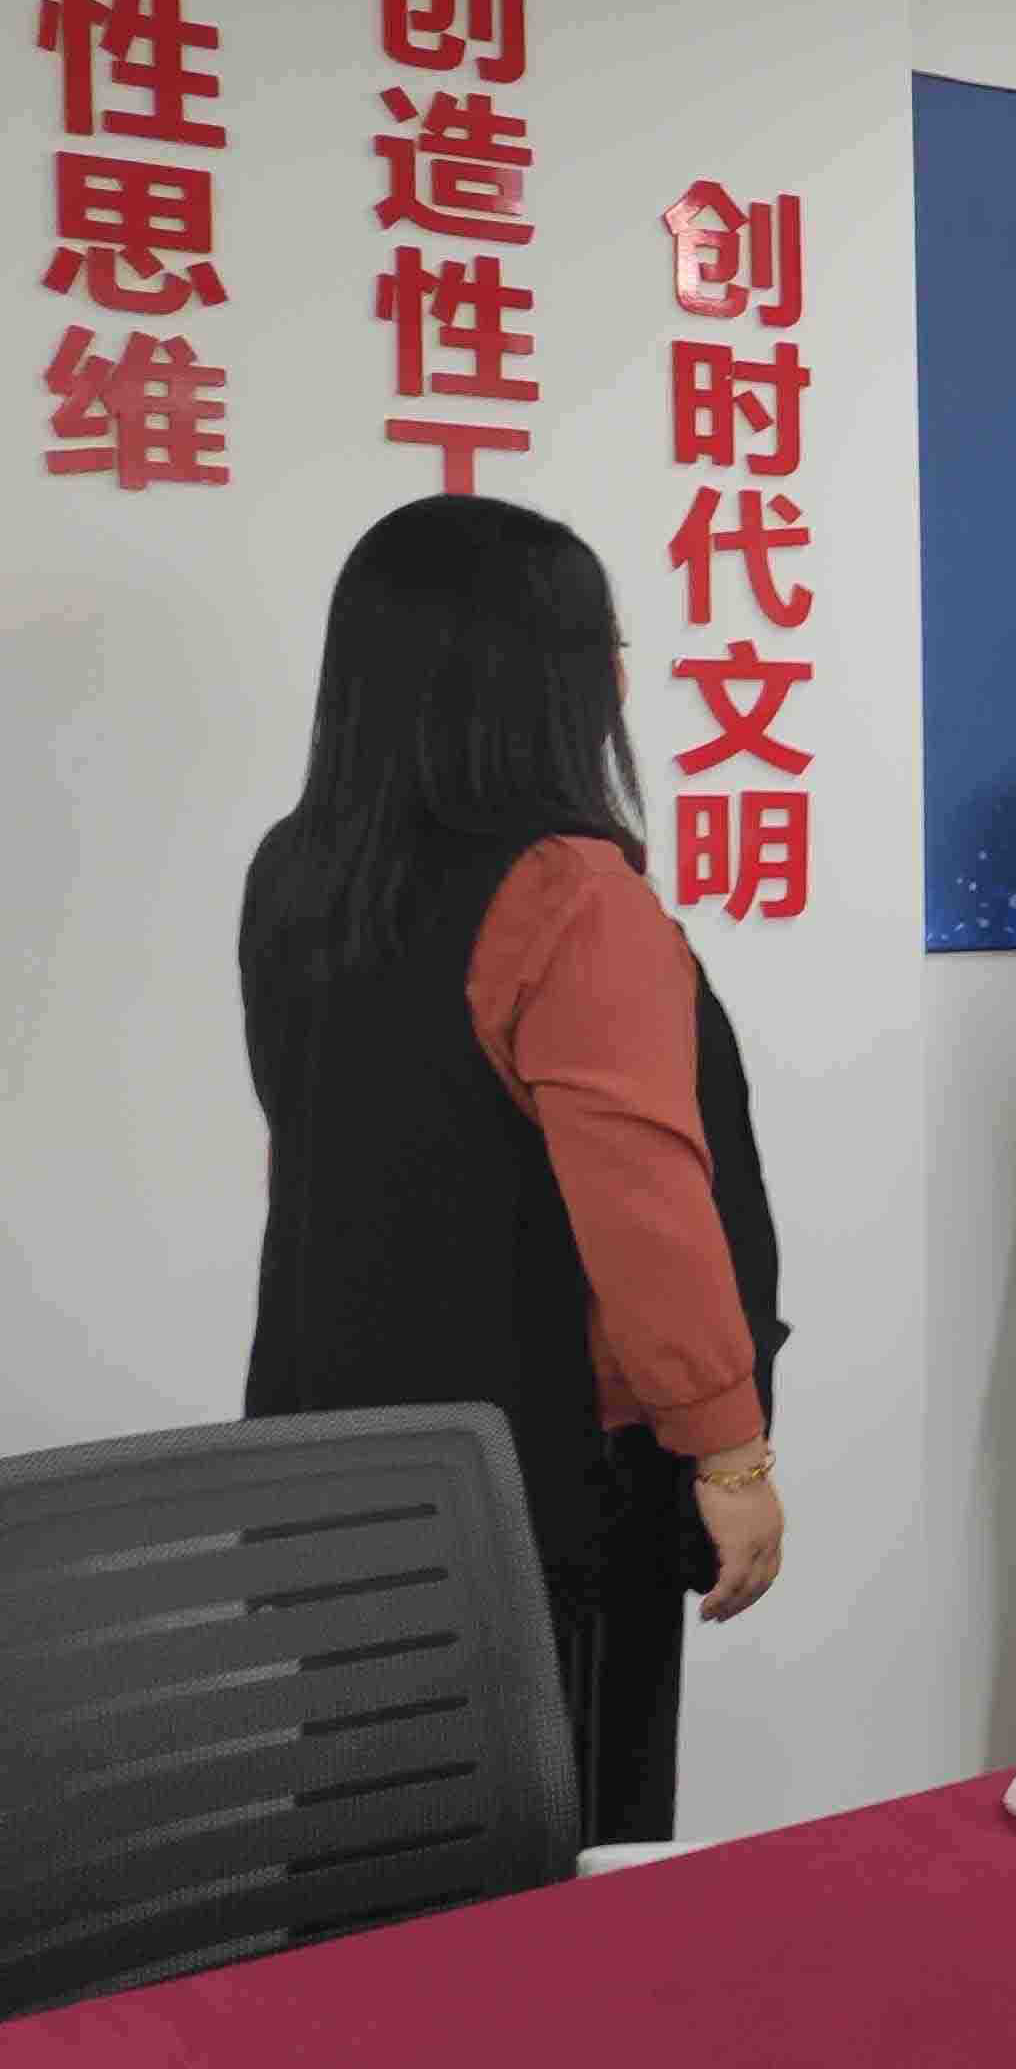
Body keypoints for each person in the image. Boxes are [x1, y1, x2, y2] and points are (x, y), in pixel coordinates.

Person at [243, 496, 786, 1845]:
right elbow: (646, 1208)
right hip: (538, 1480)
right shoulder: (570, 893)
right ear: (543, 677)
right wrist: (731, 1457)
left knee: (375, 1837)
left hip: (332, 1449)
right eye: (607, 646)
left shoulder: (298, 868)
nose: (621, 679)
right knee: (565, 1843)